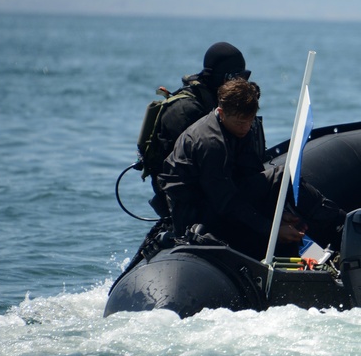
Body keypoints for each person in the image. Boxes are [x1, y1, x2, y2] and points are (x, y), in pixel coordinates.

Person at [158, 78, 344, 260]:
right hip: (199, 210)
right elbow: (225, 202)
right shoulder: (210, 143)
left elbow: (250, 176)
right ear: (221, 113)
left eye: (250, 121)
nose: (246, 127)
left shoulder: (241, 129)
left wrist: (278, 213)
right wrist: (271, 228)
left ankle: (340, 225)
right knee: (272, 189)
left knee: (282, 176)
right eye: (240, 122)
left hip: (223, 194)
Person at [147, 42, 264, 216]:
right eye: (236, 77)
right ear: (222, 78)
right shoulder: (186, 112)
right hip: (191, 201)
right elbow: (192, 175)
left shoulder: (224, 104)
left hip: (220, 184)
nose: (242, 83)